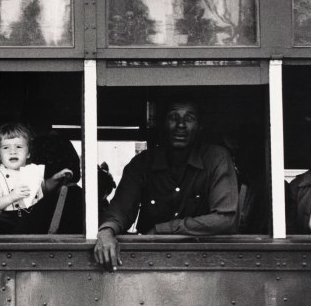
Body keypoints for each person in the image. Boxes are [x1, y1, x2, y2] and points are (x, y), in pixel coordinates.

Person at [94, 100, 239, 270]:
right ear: (163, 124)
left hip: (204, 263)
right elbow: (120, 209)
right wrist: (106, 232)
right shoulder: (142, 163)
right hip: (149, 263)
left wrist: (161, 230)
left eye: (189, 118)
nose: (181, 125)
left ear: (200, 126)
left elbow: (225, 218)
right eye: (173, 117)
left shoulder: (216, 159)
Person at [0, 122, 73, 233]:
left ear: (28, 153)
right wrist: (11, 197)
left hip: (34, 219)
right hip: (8, 222)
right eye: (6, 147)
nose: (12, 151)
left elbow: (43, 190)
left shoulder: (33, 171)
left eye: (19, 147)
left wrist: (55, 179)